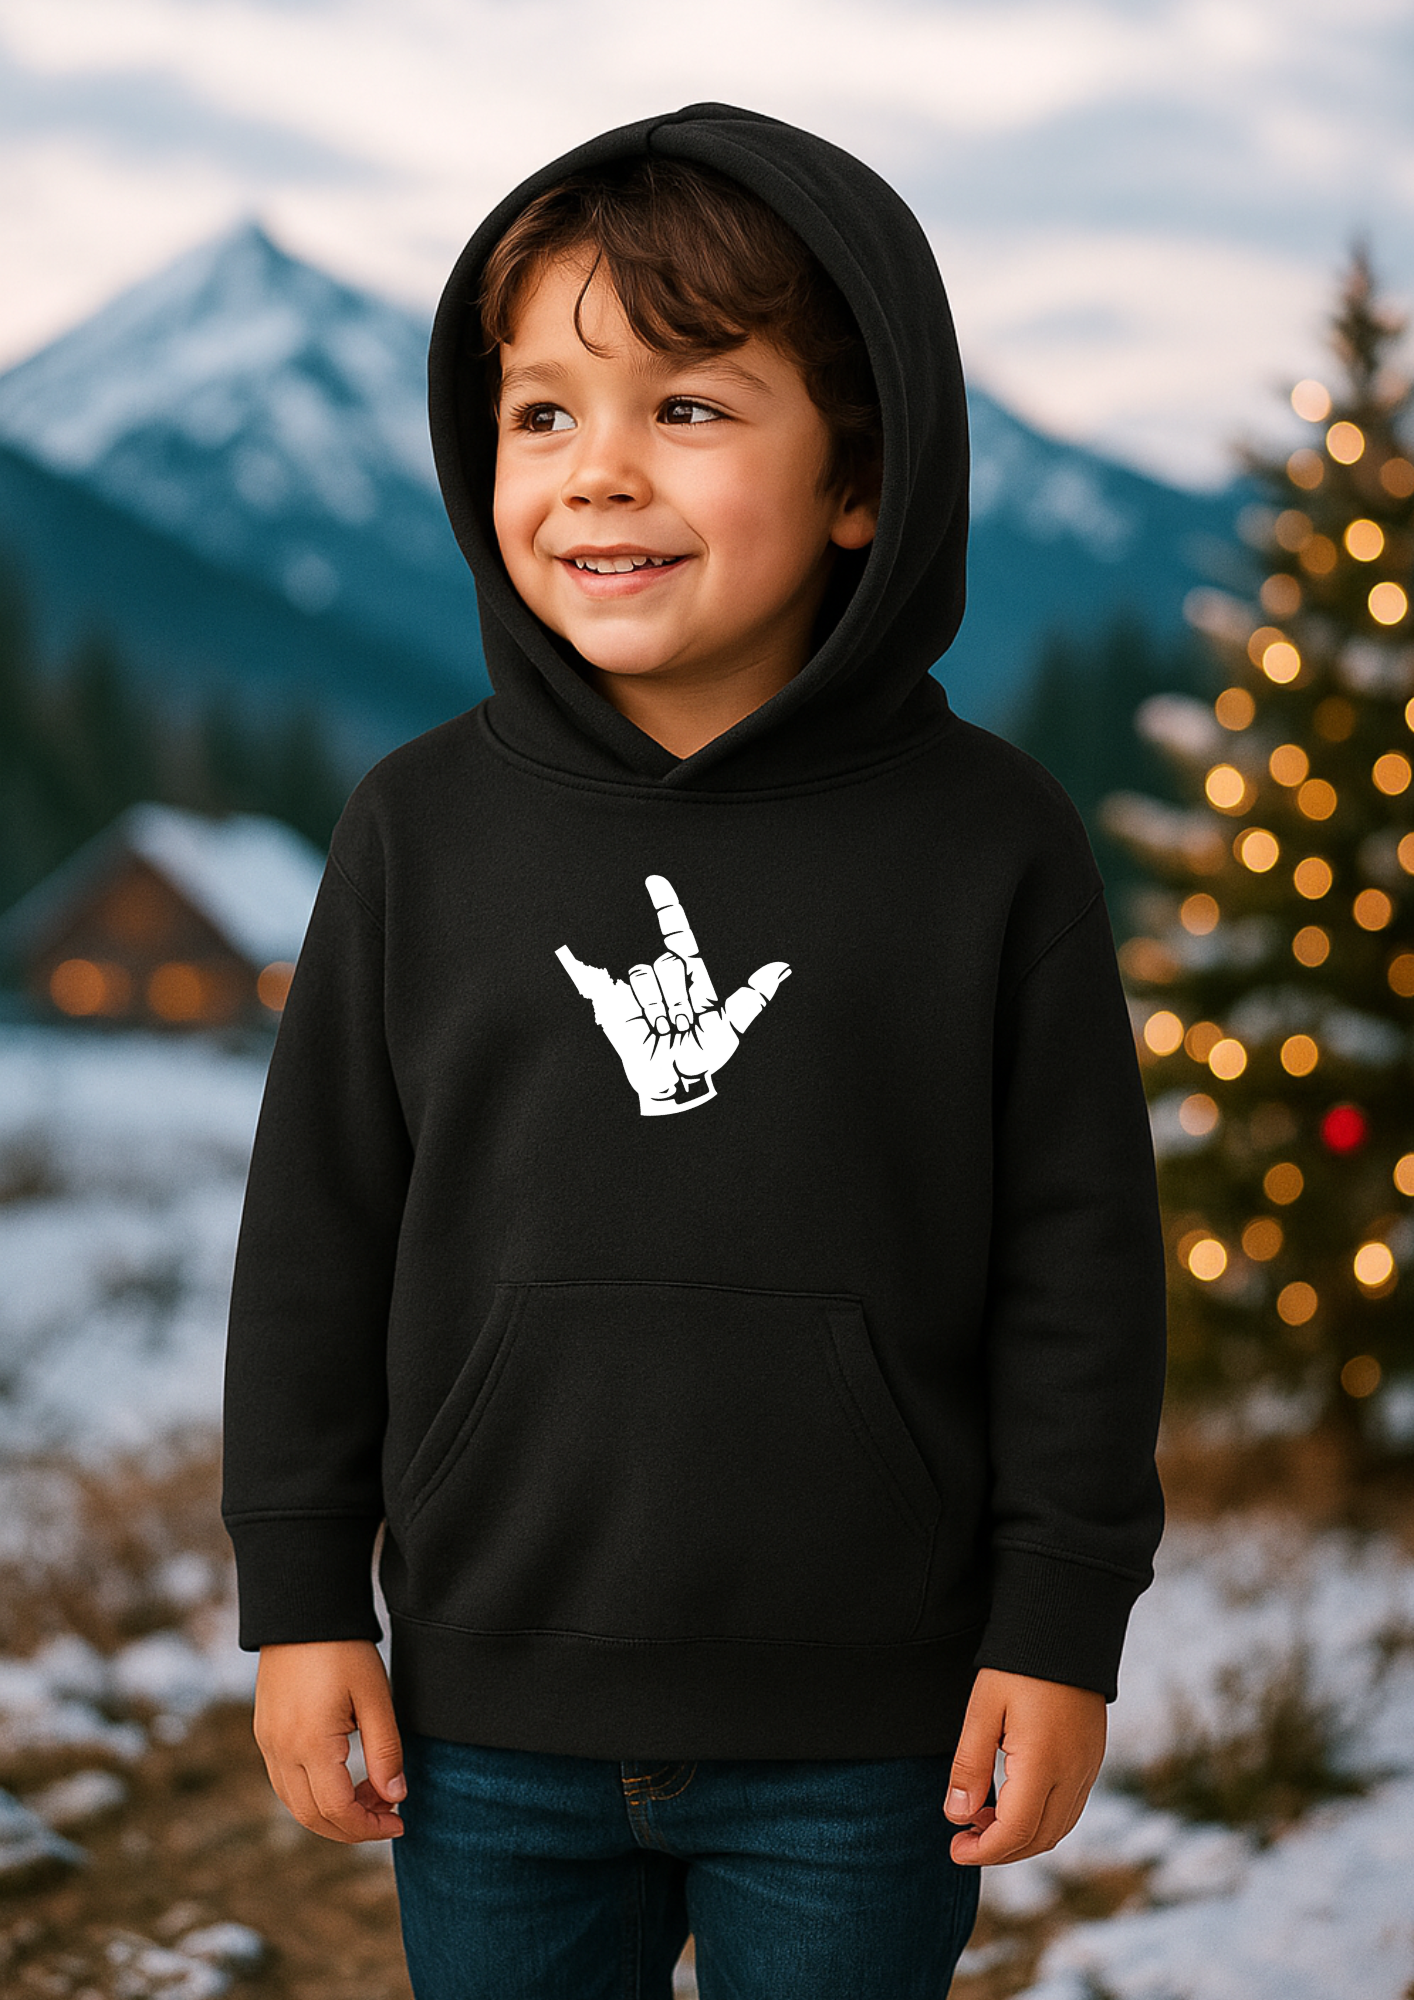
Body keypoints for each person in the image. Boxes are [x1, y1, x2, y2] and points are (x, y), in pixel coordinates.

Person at [222, 102, 1167, 1999]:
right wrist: (303, 1600)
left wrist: (1057, 1624)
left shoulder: (988, 843)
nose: (597, 476)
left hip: (866, 1739)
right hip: (484, 1724)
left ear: (858, 480)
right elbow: (315, 1241)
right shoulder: (419, 831)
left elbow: (1079, 1265)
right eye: (543, 413)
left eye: (690, 409)